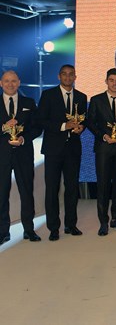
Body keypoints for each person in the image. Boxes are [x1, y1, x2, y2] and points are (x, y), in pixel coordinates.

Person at [36, 64, 87, 241]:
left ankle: (71, 225)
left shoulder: (81, 97)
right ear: (59, 76)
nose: (68, 77)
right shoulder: (48, 95)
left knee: (72, 188)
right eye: (64, 74)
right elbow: (41, 120)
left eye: (71, 74)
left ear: (75, 77)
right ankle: (53, 228)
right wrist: (64, 126)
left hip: (73, 149)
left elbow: (83, 120)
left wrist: (80, 127)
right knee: (52, 189)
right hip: (53, 150)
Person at [86, 68, 116, 236]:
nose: (114, 83)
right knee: (103, 185)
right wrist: (104, 136)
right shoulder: (96, 100)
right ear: (106, 81)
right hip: (103, 148)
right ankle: (103, 222)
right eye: (111, 80)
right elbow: (90, 123)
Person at [0, 70, 42, 244]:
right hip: (2, 155)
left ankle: (29, 230)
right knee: (1, 194)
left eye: (13, 81)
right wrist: (4, 127)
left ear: (19, 82)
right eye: (7, 81)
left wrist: (24, 139)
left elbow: (37, 127)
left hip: (23, 154)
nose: (10, 84)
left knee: (26, 192)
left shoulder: (29, 102)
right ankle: (3, 232)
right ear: (1, 83)